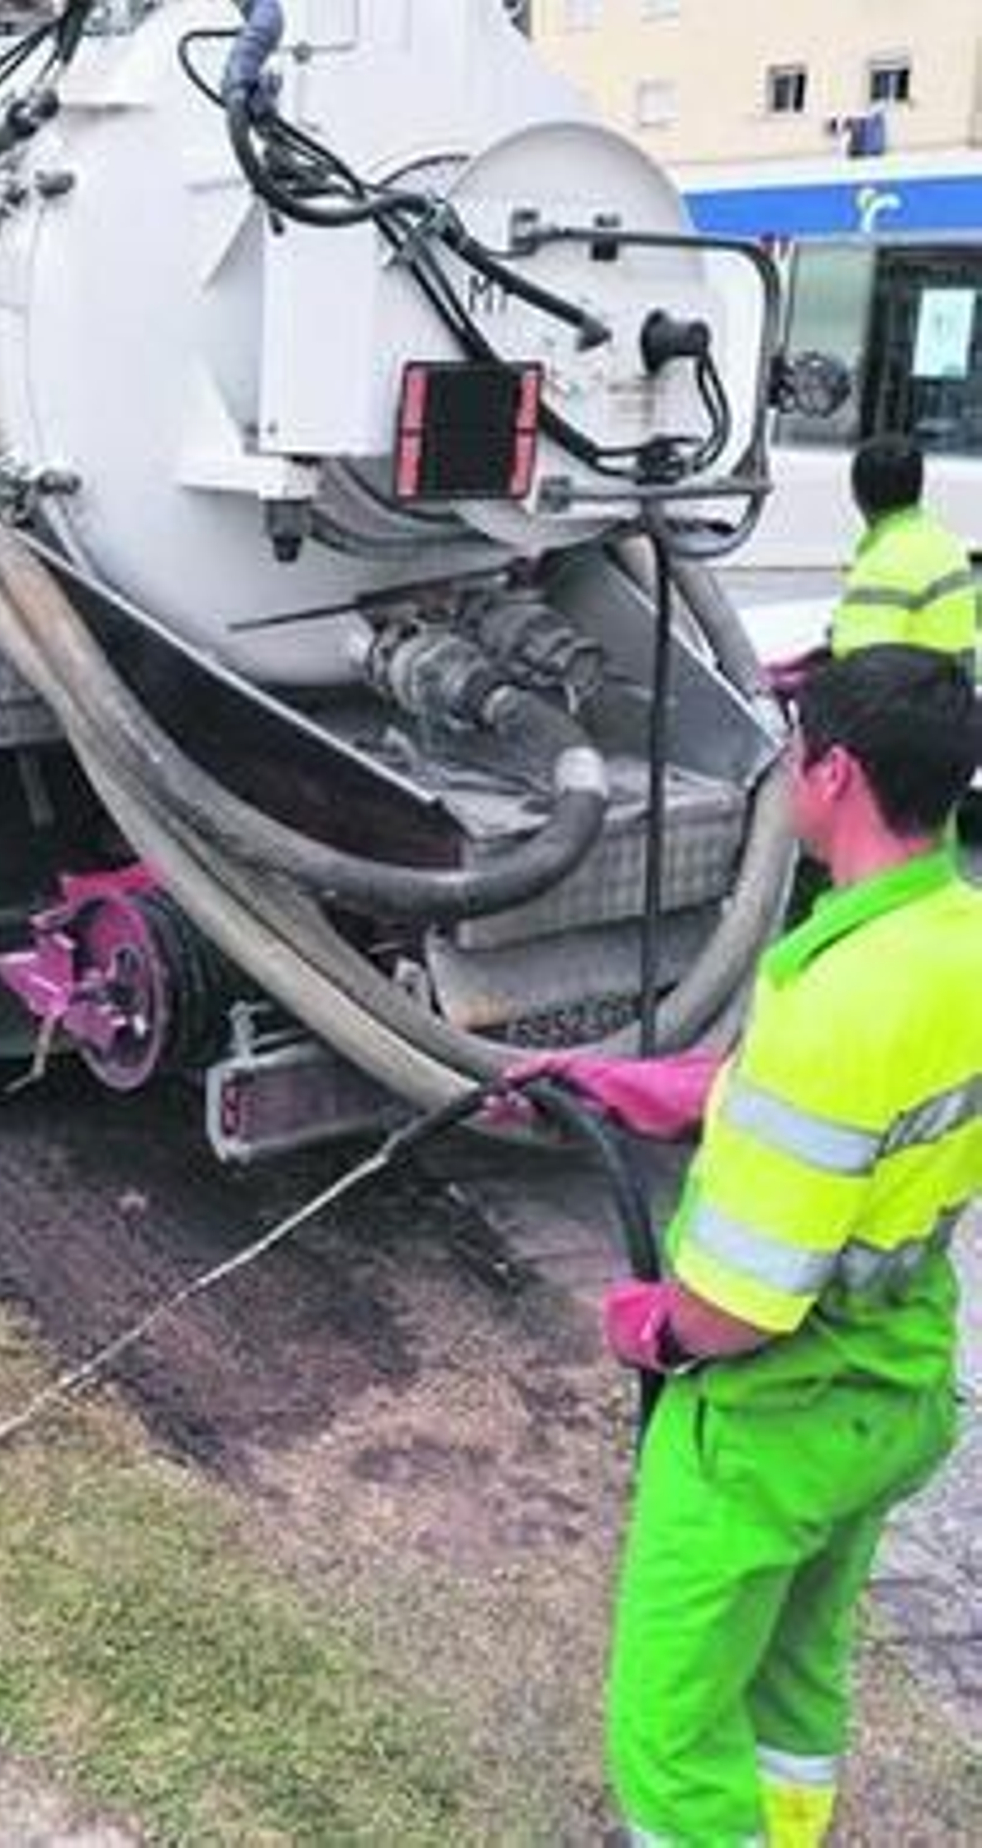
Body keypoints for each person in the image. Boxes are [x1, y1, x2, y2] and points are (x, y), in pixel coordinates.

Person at [522, 645, 982, 1846]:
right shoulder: (950, 939)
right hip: (888, 1394)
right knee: (791, 1676)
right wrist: (638, 1087)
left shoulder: (836, 1005)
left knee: (668, 1733)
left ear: (833, 773)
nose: (784, 771)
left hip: (771, 1420)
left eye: (792, 751)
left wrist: (655, 1330)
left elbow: (738, 1310)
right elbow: (830, 1116)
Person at [769, 435, 977, 696]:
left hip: (916, 706)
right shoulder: (945, 545)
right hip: (953, 696)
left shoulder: (883, 563)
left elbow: (860, 667)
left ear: (856, 494)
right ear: (918, 488)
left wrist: (795, 682)